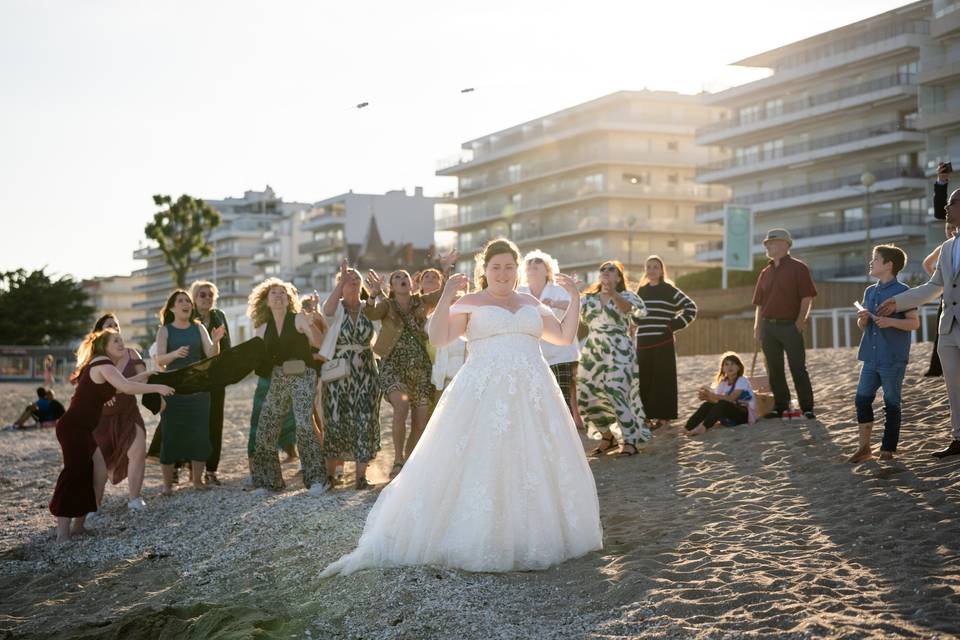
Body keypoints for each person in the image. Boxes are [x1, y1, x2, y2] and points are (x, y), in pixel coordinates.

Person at [321, 238, 601, 577]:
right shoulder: (470, 301)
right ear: (485, 270)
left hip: (534, 391)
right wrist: (447, 295)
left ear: (516, 269)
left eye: (509, 267)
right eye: (496, 267)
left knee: (530, 458)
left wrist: (575, 300)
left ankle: (532, 534)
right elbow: (439, 338)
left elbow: (562, 336)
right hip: (483, 392)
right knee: (482, 458)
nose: (503, 273)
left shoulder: (530, 301)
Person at [49, 328, 173, 543]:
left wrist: (143, 376)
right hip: (73, 428)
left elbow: (116, 389)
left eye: (121, 339)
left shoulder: (105, 366)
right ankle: (62, 534)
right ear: (103, 347)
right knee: (74, 475)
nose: (120, 343)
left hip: (84, 429)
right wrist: (158, 387)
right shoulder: (102, 363)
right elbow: (125, 387)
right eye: (115, 341)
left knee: (97, 473)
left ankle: (79, 527)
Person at [878, 185, 960, 459]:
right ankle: (959, 438)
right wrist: (898, 303)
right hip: (948, 328)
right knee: (953, 386)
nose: (947, 208)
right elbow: (933, 285)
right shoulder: (948, 247)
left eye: (953, 202)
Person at [248, 278, 327, 494]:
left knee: (304, 423)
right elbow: (258, 359)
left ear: (289, 298)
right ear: (265, 300)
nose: (278, 295)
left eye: (283, 292)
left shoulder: (299, 318)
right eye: (273, 292)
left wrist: (311, 324)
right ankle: (268, 481)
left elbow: (319, 344)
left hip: (303, 374)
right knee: (266, 426)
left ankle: (317, 479)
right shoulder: (262, 328)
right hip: (278, 377)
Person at [363, 268, 442, 477]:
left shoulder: (422, 302)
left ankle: (408, 464)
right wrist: (372, 294)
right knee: (401, 405)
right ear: (391, 287)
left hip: (421, 368)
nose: (401, 279)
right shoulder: (387, 305)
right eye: (396, 277)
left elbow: (444, 292)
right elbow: (370, 313)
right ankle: (397, 459)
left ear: (410, 282)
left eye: (404, 276)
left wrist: (447, 268)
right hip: (393, 366)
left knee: (421, 421)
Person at [848, 245, 919, 463]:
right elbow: (863, 326)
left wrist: (890, 322)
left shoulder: (904, 291)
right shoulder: (870, 291)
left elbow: (914, 324)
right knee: (861, 399)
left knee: (891, 403)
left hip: (892, 358)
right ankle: (864, 448)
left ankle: (887, 449)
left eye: (875, 259)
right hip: (870, 356)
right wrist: (863, 319)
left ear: (889, 265)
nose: (871, 262)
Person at [154, 290, 225, 494]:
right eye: (180, 301)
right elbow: (159, 360)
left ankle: (197, 481)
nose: (185, 304)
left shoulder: (198, 327)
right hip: (173, 389)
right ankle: (168, 486)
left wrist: (216, 340)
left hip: (198, 388)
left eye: (187, 301)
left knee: (199, 433)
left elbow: (211, 354)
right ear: (172, 308)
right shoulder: (165, 331)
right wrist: (174, 354)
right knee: (171, 433)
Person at [578, 260, 650, 457]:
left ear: (619, 277)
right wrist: (565, 296)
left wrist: (612, 293)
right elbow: (575, 310)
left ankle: (629, 440)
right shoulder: (589, 298)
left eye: (612, 270)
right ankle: (607, 437)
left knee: (615, 391)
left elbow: (631, 311)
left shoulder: (626, 295)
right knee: (589, 396)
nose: (606, 272)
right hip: (593, 350)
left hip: (619, 350)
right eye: (603, 269)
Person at [320, 262, 381, 490]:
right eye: (347, 279)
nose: (353, 281)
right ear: (340, 284)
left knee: (365, 419)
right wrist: (339, 282)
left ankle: (360, 478)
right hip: (338, 374)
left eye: (356, 278)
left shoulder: (369, 307)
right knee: (336, 419)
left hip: (366, 372)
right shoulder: (337, 309)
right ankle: (331, 475)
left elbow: (382, 314)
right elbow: (326, 310)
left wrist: (376, 293)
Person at [752, 228, 818, 419]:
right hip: (768, 327)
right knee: (773, 369)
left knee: (798, 367)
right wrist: (757, 327)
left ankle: (807, 407)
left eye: (771, 243)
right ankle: (781, 406)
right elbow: (759, 304)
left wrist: (800, 321)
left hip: (790, 326)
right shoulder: (765, 272)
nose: (768, 246)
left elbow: (807, 297)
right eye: (767, 244)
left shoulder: (799, 268)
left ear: (784, 245)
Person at [518, 249, 583, 429]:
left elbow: (576, 306)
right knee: (536, 399)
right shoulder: (519, 291)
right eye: (529, 263)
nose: (532, 265)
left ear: (547, 269)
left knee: (561, 399)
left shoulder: (558, 290)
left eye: (537, 262)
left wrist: (554, 304)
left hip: (561, 354)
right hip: (533, 354)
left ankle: (566, 436)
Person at [90, 314, 149, 510]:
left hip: (129, 413)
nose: (115, 328)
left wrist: (119, 387)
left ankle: (134, 498)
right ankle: (94, 505)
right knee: (99, 465)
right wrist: (103, 393)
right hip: (101, 418)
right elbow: (82, 386)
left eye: (117, 325)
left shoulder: (132, 354)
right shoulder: (94, 358)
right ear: (99, 333)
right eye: (109, 326)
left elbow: (144, 380)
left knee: (138, 452)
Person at [634, 255, 697, 430]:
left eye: (655, 267)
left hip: (663, 341)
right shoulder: (642, 291)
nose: (652, 270)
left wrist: (673, 326)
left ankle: (664, 417)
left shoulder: (669, 290)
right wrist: (635, 319)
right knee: (645, 380)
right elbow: (636, 315)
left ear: (662, 270)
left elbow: (691, 308)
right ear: (645, 270)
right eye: (648, 267)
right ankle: (646, 417)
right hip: (643, 342)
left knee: (663, 380)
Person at [189, 280, 231, 486]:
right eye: (202, 295)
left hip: (216, 379)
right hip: (193, 380)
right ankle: (191, 468)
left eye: (210, 295)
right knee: (194, 424)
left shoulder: (219, 316)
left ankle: (211, 470)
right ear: (194, 298)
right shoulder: (188, 317)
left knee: (215, 423)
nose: (207, 298)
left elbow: (227, 347)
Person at [925, 162, 954, 377]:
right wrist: (942, 182)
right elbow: (939, 211)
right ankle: (937, 368)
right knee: (943, 324)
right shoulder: (948, 244)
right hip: (952, 292)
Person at [685, 352, 757, 435]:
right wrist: (707, 397)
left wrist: (712, 395)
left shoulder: (742, 380)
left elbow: (731, 398)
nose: (730, 367)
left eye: (733, 364)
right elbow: (716, 401)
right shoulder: (723, 382)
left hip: (744, 416)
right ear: (723, 368)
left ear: (738, 367)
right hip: (730, 414)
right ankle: (687, 427)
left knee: (723, 403)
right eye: (726, 364)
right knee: (707, 404)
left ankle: (703, 428)